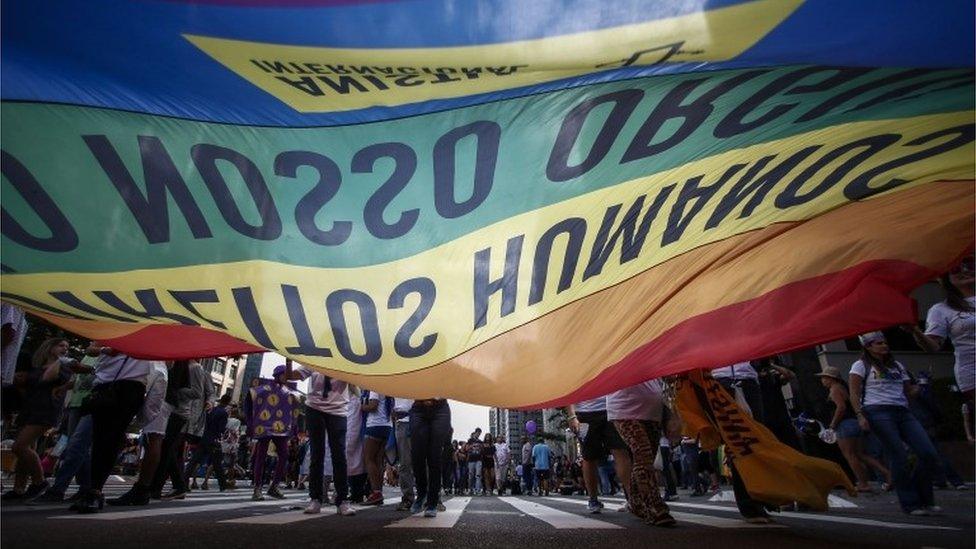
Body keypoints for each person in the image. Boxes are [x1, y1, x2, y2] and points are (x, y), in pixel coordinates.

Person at [849, 331, 944, 515]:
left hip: (902, 411)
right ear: (868, 347)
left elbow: (909, 391)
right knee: (898, 455)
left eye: (884, 342)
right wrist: (860, 415)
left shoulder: (897, 366)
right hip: (877, 411)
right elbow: (854, 393)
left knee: (928, 453)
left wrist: (922, 385)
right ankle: (910, 503)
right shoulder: (860, 366)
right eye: (878, 343)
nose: (884, 345)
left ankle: (924, 497)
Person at [908, 256, 975, 441]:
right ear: (946, 278)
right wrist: (914, 330)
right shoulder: (941, 310)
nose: (965, 270)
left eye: (969, 265)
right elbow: (933, 346)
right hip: (972, 373)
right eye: (955, 269)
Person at [77, 347, 152, 513]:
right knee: (100, 438)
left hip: (131, 386)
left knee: (110, 438)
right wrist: (106, 349)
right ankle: (91, 489)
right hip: (106, 385)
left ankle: (94, 490)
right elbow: (91, 349)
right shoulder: (112, 328)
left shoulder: (153, 331)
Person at [3, 338, 74, 501]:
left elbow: (49, 377)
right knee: (26, 450)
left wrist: (61, 360)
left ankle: (39, 481)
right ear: (49, 347)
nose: (65, 348)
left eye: (67, 347)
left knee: (19, 447)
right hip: (29, 409)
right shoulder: (36, 367)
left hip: (45, 410)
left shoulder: (63, 367)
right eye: (61, 345)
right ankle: (19, 488)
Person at [711, 362, 775, 523]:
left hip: (748, 379)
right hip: (723, 381)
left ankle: (764, 496)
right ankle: (749, 505)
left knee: (759, 442)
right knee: (740, 444)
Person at [607, 379, 675, 526]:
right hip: (624, 409)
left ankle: (636, 503)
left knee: (645, 459)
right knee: (643, 454)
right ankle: (655, 507)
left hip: (653, 411)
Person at [816, 366, 891, 493]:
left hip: (845, 425)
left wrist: (833, 425)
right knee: (861, 454)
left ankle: (863, 483)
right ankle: (887, 473)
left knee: (850, 456)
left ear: (830, 378)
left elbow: (841, 407)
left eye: (824, 377)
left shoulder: (834, 389)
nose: (822, 380)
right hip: (854, 423)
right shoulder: (843, 388)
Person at [293, 365, 354, 516]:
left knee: (339, 454)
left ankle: (342, 500)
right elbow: (292, 375)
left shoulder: (345, 358)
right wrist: (288, 360)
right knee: (316, 453)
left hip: (338, 410)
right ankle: (315, 498)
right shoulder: (314, 357)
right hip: (314, 408)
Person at [107, 360, 169, 505]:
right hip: (157, 387)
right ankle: (143, 488)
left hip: (158, 389)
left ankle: (142, 488)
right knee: (154, 438)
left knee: (154, 437)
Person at [565, 396, 632, 513]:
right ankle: (595, 500)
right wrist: (572, 415)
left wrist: (572, 415)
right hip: (595, 410)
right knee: (599, 455)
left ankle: (632, 499)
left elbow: (568, 388)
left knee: (619, 452)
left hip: (610, 408)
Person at [245, 363, 300, 501]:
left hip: (281, 429)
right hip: (264, 426)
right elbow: (249, 400)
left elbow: (294, 410)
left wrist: (294, 426)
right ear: (277, 375)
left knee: (284, 456)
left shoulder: (289, 391)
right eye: (283, 374)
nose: (286, 377)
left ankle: (274, 486)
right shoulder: (263, 389)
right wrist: (250, 422)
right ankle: (257, 488)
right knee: (261, 457)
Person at [149, 359, 196, 500]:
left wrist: (172, 389)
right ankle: (177, 485)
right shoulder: (183, 363)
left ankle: (156, 487)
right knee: (166, 448)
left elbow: (196, 392)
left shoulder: (195, 368)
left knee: (165, 447)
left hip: (178, 411)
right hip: (169, 406)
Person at [409, 398, 451, 517]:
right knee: (417, 455)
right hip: (418, 408)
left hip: (440, 409)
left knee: (435, 456)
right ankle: (422, 493)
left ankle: (432, 502)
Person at [183, 394, 231, 493]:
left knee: (194, 461)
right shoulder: (224, 413)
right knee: (217, 464)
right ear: (227, 402)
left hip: (205, 438)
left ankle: (184, 480)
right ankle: (223, 485)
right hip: (214, 440)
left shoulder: (212, 410)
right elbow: (221, 429)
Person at [361, 389, 393, 506]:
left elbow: (373, 406)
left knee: (369, 459)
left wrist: (360, 406)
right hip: (386, 425)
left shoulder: (374, 387)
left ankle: (376, 492)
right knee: (378, 460)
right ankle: (379, 491)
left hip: (374, 424)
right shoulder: (385, 387)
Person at [392, 397, 415, 511]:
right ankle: (408, 498)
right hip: (402, 422)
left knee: (408, 463)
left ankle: (410, 498)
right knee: (405, 463)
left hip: (414, 421)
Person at [467, 428, 484, 495]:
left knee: (478, 475)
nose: (479, 434)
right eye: (478, 433)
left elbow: (483, 450)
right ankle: (470, 489)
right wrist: (472, 446)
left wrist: (481, 447)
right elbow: (467, 448)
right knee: (471, 476)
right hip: (471, 460)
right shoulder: (470, 440)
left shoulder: (480, 441)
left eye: (480, 433)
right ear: (475, 432)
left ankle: (478, 490)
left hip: (479, 460)